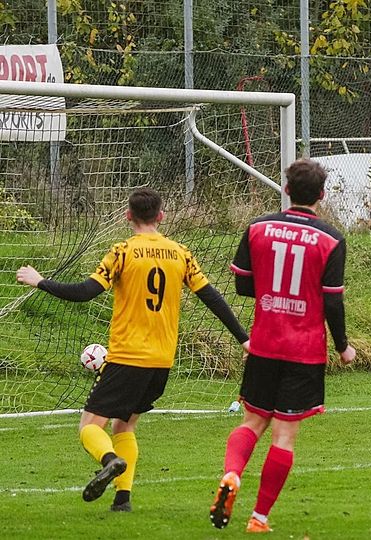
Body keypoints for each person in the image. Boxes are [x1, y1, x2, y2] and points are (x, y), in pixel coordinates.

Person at [15, 188, 249, 512]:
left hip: (127, 357)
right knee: (124, 425)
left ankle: (110, 460)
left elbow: (85, 292)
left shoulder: (122, 252)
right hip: (162, 360)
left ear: (128, 216)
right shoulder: (180, 253)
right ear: (161, 216)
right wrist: (244, 339)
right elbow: (213, 298)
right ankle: (122, 500)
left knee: (89, 426)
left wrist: (40, 281)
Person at [210, 158, 356, 533]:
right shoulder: (331, 239)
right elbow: (332, 301)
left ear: (286, 189)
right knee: (284, 434)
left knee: (252, 420)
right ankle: (259, 518)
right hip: (304, 350)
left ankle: (231, 474)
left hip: (264, 343)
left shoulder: (258, 227)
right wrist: (343, 346)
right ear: (322, 195)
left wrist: (272, 294)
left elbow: (243, 284)